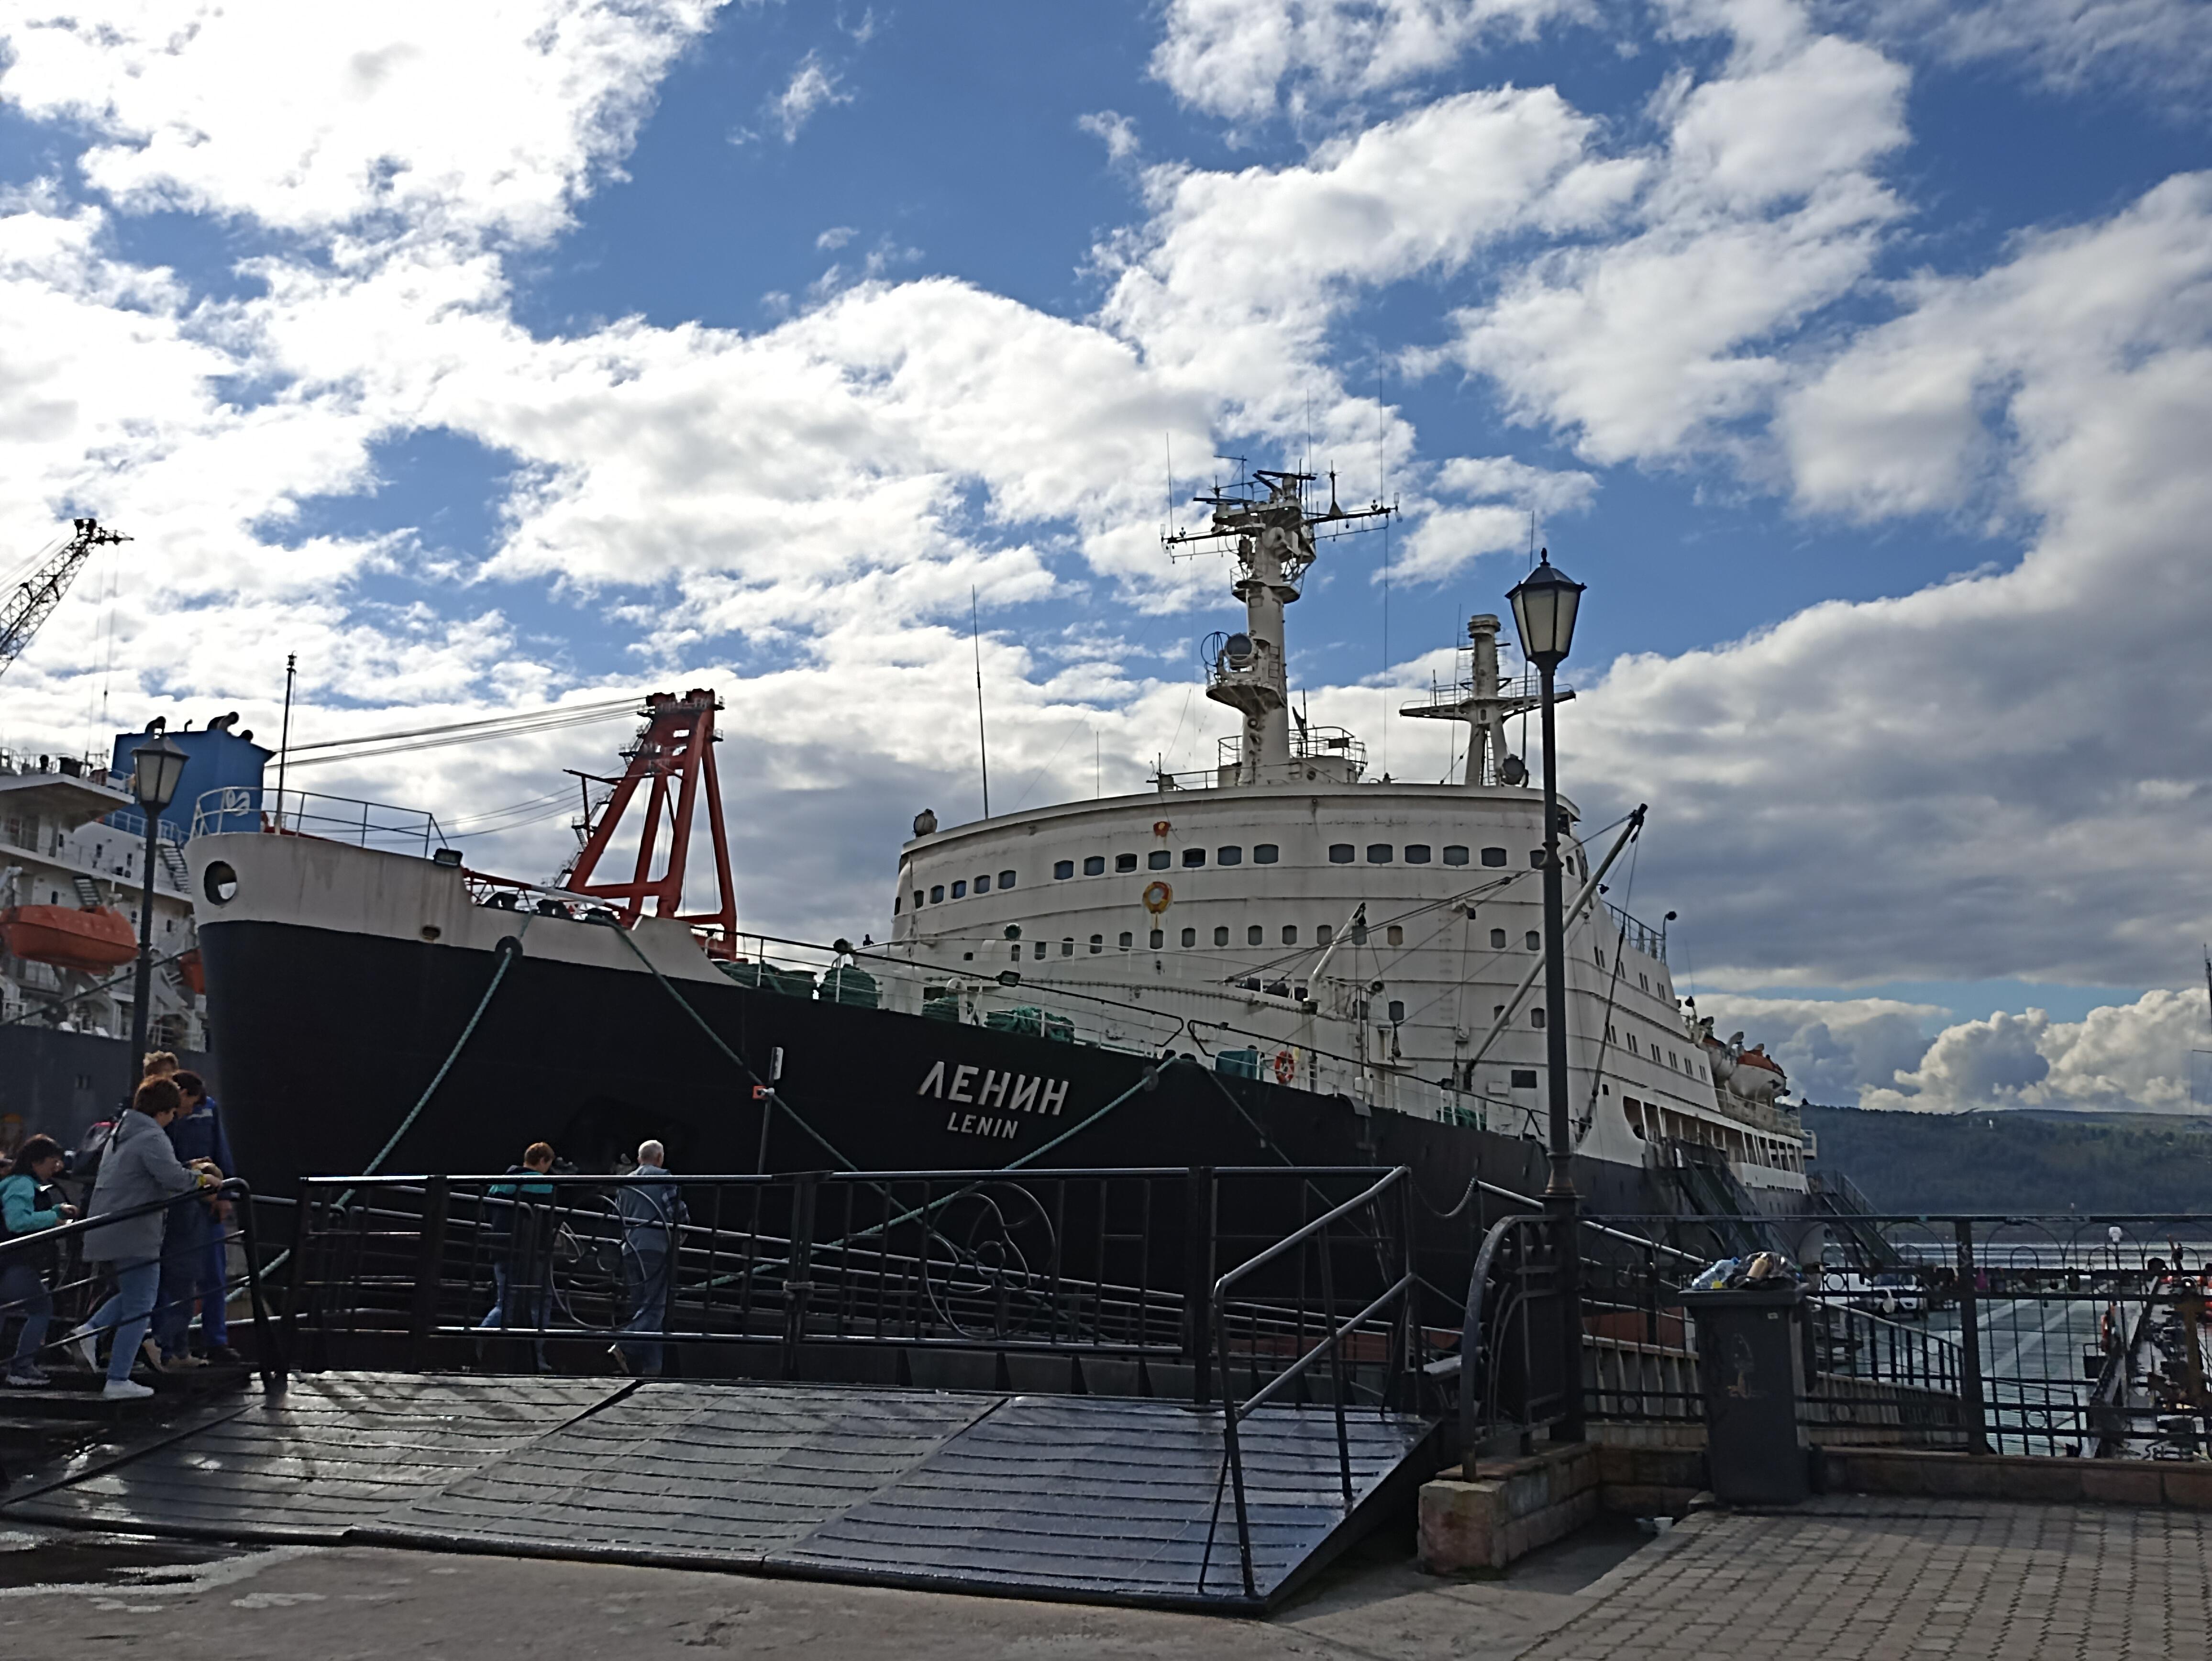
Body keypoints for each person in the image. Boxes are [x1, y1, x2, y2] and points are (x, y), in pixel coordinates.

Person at [67, 1076, 221, 1400]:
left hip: (111, 1227)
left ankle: (88, 1332)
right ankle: (118, 1378)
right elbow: (172, 1179)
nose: (173, 1120)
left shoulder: (124, 1132)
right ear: (164, 1110)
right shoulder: (152, 1135)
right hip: (136, 1233)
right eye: (172, 1114)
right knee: (142, 1304)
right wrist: (203, 1178)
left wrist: (184, 1169)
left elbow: (152, 1172)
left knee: (136, 1295)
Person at [153, 1071, 239, 1367]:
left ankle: (213, 1341)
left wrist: (224, 1193)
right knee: (176, 1278)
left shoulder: (207, 1109)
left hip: (204, 1201)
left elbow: (220, 1148)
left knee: (212, 1276)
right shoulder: (161, 1121)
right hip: (181, 1204)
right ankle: (168, 1346)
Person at [0, 1135, 77, 1388]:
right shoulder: (23, 1184)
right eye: (52, 1163)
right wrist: (52, 1220)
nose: (56, 1169)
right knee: (41, 1308)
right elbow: (17, 1222)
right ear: (36, 1162)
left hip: (8, 1261)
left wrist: (55, 1212)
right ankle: (22, 1367)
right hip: (16, 1260)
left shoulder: (15, 1182)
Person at [478, 1142, 557, 1367]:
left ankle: (477, 1344)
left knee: (505, 1304)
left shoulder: (500, 1183)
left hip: (500, 1249)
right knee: (540, 1301)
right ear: (543, 1161)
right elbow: (549, 1220)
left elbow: (488, 1213)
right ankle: (535, 1356)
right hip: (532, 1254)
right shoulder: (544, 1185)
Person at [612, 1140, 686, 1377]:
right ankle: (623, 1345)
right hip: (655, 1247)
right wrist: (683, 1233)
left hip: (630, 1248)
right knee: (655, 1308)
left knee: (642, 1307)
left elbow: (618, 1215)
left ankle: (652, 1368)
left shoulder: (625, 1183)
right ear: (660, 1158)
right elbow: (678, 1213)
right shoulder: (664, 1177)